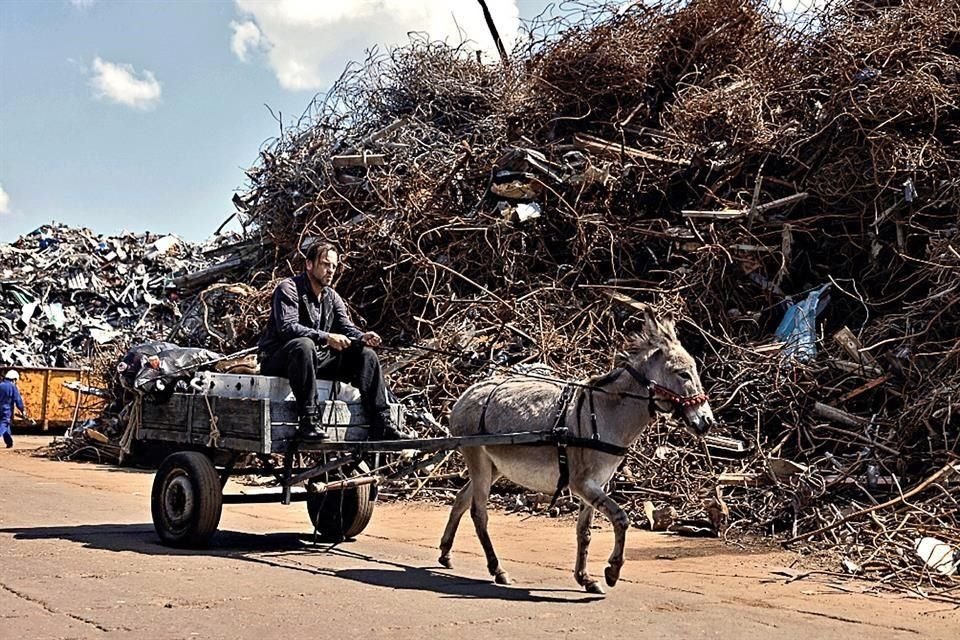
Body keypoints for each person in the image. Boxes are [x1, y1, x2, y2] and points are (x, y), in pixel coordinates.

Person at [258, 241, 408, 441]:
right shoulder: (288, 288)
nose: (330, 270)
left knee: (365, 355)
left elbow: (346, 327)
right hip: (281, 360)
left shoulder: (332, 297)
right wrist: (327, 337)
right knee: (303, 345)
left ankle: (381, 421)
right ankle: (309, 420)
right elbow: (288, 328)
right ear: (309, 264)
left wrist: (362, 337)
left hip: (314, 360)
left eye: (334, 266)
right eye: (325, 264)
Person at [0, 369, 28, 448]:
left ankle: (9, 442)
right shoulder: (12, 387)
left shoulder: (1, 385)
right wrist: (22, 410)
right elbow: (18, 400)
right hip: (6, 410)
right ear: (14, 379)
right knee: (4, 424)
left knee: (6, 426)